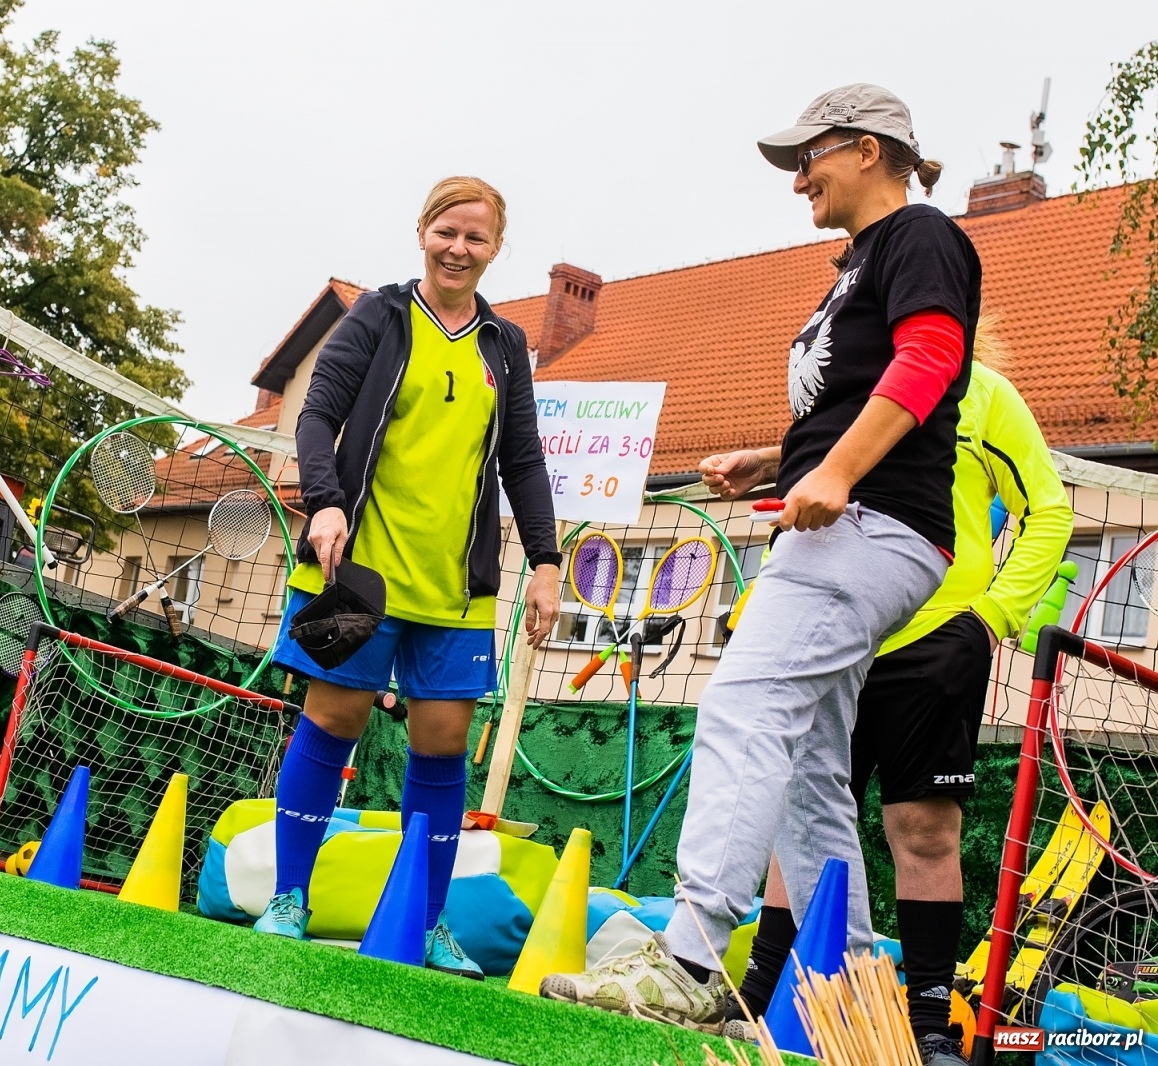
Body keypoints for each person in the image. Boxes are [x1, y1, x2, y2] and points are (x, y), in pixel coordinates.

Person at [540, 84, 980, 1029]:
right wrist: (779, 460)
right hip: (851, 524)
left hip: (867, 529)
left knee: (743, 706)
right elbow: (859, 390)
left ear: (867, 149)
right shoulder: (857, 265)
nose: (797, 181)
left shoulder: (919, 236)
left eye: (808, 159)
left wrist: (839, 474)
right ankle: (842, 1003)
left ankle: (691, 960)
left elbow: (932, 359)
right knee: (814, 769)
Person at [717, 326, 1072, 1064]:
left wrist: (989, 619)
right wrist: (770, 463)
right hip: (832, 632)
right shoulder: (848, 388)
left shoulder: (985, 394)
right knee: (803, 818)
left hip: (935, 644)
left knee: (925, 830)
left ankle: (929, 1025)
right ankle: (761, 992)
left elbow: (1050, 511)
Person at [254, 176, 562, 977]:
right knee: (335, 718)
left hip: (456, 586)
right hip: (357, 568)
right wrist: (325, 502)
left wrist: (546, 562)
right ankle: (288, 898)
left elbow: (523, 460)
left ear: (496, 249)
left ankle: (425, 924)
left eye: (476, 237)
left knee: (445, 739)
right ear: (422, 232)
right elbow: (317, 413)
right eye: (446, 232)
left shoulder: (505, 346)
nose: (458, 249)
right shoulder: (379, 316)